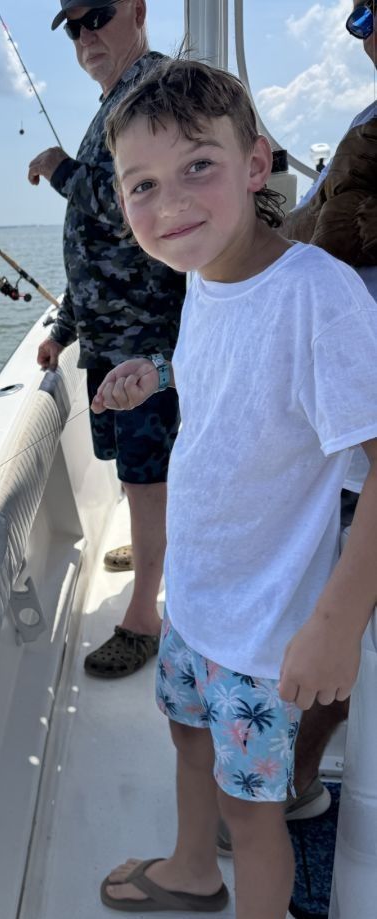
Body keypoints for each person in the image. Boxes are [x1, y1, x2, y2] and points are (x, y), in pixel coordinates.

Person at [92, 59, 377, 918]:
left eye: (198, 166)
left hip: (262, 631)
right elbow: (235, 371)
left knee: (252, 814)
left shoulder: (318, 296)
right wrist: (159, 372)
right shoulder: (203, 274)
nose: (170, 203)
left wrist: (336, 622)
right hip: (196, 599)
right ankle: (191, 868)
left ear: (255, 164)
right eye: (142, 184)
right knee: (187, 740)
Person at [232, 0, 377, 831]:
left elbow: (326, 236)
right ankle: (295, 775)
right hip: (339, 432)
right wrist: (229, 257)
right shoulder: (364, 122)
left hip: (360, 430)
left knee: (336, 622)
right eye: (359, 17)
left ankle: (289, 780)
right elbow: (311, 223)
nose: (369, 32)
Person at [27, 0, 185, 679]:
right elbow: (98, 247)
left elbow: (133, 202)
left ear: (139, 10)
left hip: (145, 341)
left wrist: (60, 167)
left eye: (99, 14)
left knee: (147, 477)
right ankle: (155, 556)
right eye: (74, 26)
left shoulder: (156, 90)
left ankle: (145, 617)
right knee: (133, 472)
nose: (86, 34)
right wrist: (65, 329)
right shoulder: (115, 101)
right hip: (107, 338)